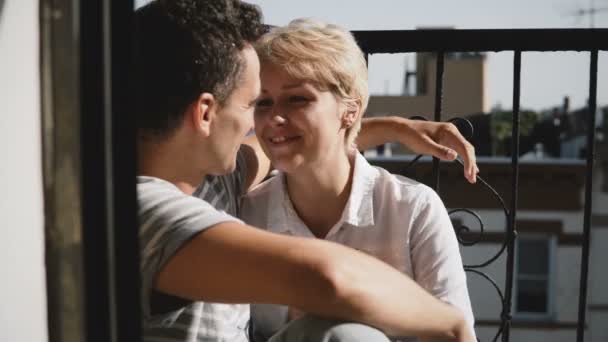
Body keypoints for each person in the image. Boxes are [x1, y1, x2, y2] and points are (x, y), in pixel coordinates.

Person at [135, 1, 478, 341]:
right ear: (206, 113)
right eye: (254, 104)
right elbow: (328, 279)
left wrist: (393, 127)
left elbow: (297, 144)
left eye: (297, 99)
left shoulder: (219, 180)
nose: (260, 124)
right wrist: (452, 325)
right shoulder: (145, 209)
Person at [240, 19, 476, 342]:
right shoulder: (245, 215)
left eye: (297, 99)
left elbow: (454, 334)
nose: (274, 117)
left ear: (349, 111)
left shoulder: (412, 209)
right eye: (263, 102)